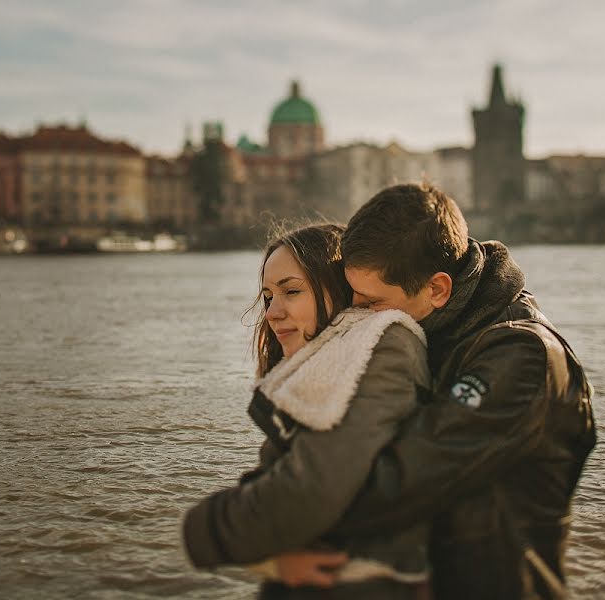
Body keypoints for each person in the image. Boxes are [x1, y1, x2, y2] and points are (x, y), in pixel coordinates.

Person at [275, 183, 597, 599]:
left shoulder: (521, 357)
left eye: (370, 302)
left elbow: (403, 477)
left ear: (437, 289)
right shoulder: (427, 328)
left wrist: (266, 519)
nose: (354, 314)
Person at [183, 224, 434, 599]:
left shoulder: (382, 345)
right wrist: (270, 561)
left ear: (338, 288)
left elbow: (310, 490)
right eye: (268, 296)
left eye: (292, 291)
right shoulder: (321, 367)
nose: (271, 312)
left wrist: (200, 527)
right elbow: (281, 486)